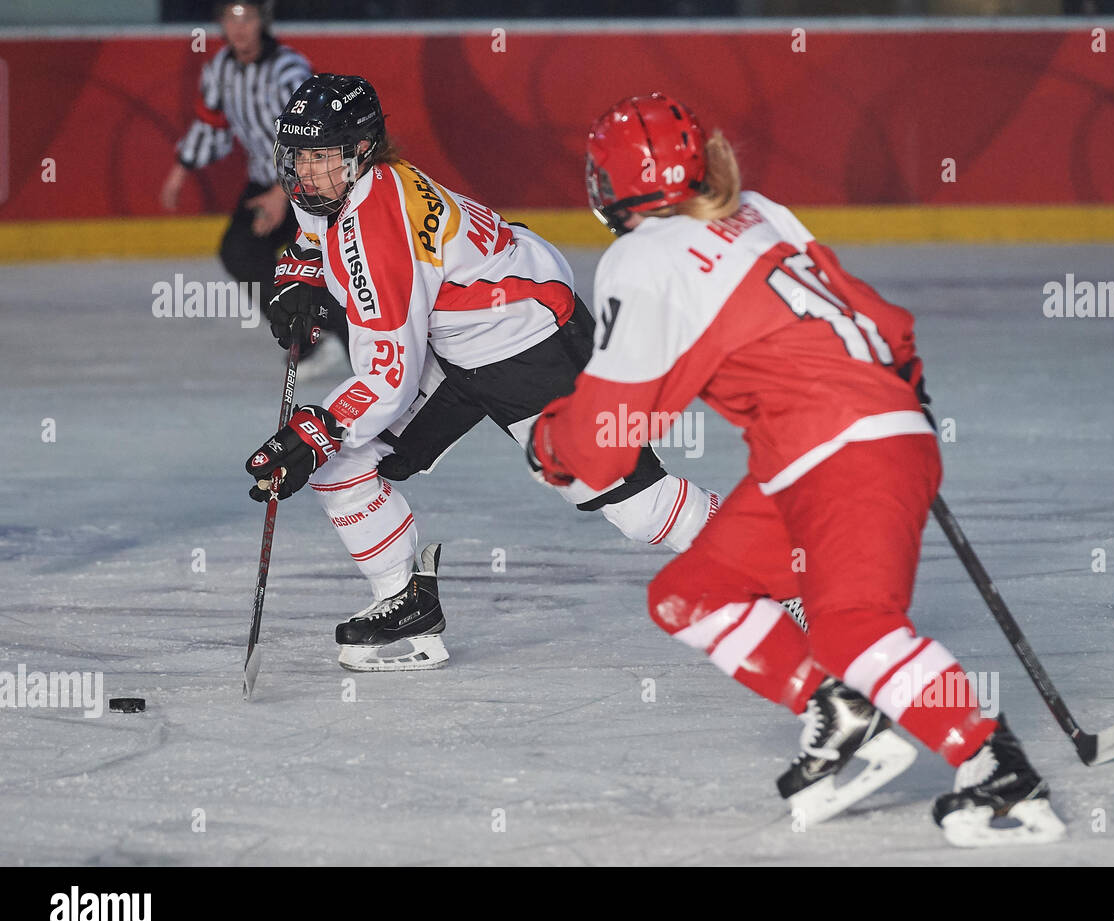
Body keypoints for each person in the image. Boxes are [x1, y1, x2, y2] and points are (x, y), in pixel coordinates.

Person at [527, 93, 1066, 846]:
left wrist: (551, 446)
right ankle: (838, 711)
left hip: (840, 454)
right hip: (840, 446)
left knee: (852, 628)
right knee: (691, 591)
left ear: (607, 183)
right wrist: (901, 389)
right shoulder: (756, 209)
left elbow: (611, 434)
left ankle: (999, 770)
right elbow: (881, 319)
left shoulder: (640, 258)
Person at [241, 74, 722, 676]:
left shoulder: (378, 230)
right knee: (342, 464)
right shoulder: (353, 186)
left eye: (322, 158)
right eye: (300, 157)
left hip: (529, 342)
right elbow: (322, 232)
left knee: (639, 511)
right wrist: (303, 271)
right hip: (458, 346)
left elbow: (387, 378)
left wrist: (321, 425)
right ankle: (406, 599)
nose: (307, 174)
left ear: (360, 152)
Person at [159, 1, 346, 373]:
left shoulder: (288, 69)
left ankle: (365, 346)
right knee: (239, 253)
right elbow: (211, 127)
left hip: (313, 185)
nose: (239, 27)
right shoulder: (220, 70)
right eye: (231, 18)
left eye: (248, 17)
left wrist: (284, 194)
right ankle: (307, 338)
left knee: (331, 267)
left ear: (263, 21)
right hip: (265, 182)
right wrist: (180, 171)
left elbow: (311, 137)